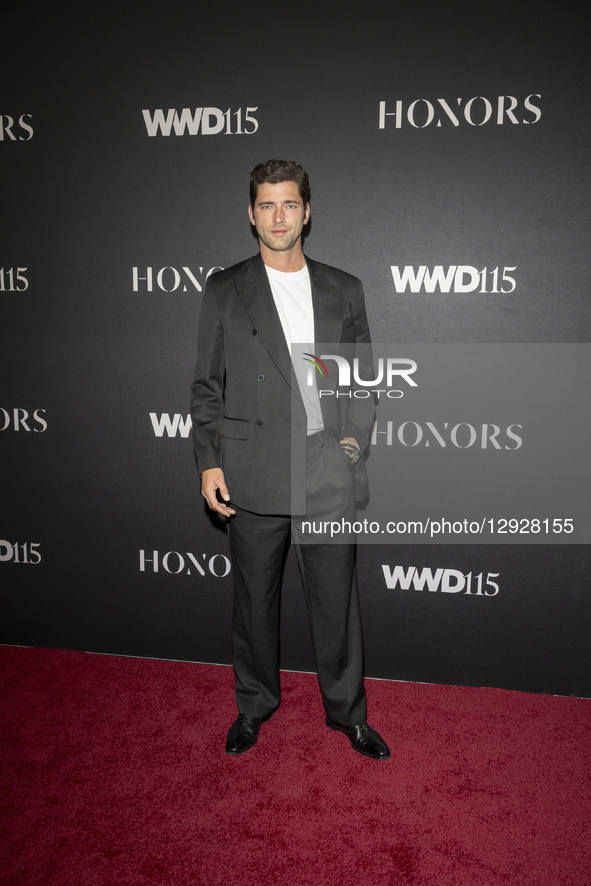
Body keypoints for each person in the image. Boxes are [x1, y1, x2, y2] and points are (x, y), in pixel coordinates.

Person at [190, 160, 390, 760]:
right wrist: (209, 461)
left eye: (290, 205)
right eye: (267, 206)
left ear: (307, 211)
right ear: (252, 214)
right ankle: (254, 705)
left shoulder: (343, 288)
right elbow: (207, 386)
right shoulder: (226, 289)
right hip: (254, 470)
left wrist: (352, 445)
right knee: (254, 601)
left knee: (337, 602)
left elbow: (362, 380)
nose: (279, 217)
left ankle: (348, 714)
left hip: (326, 467)